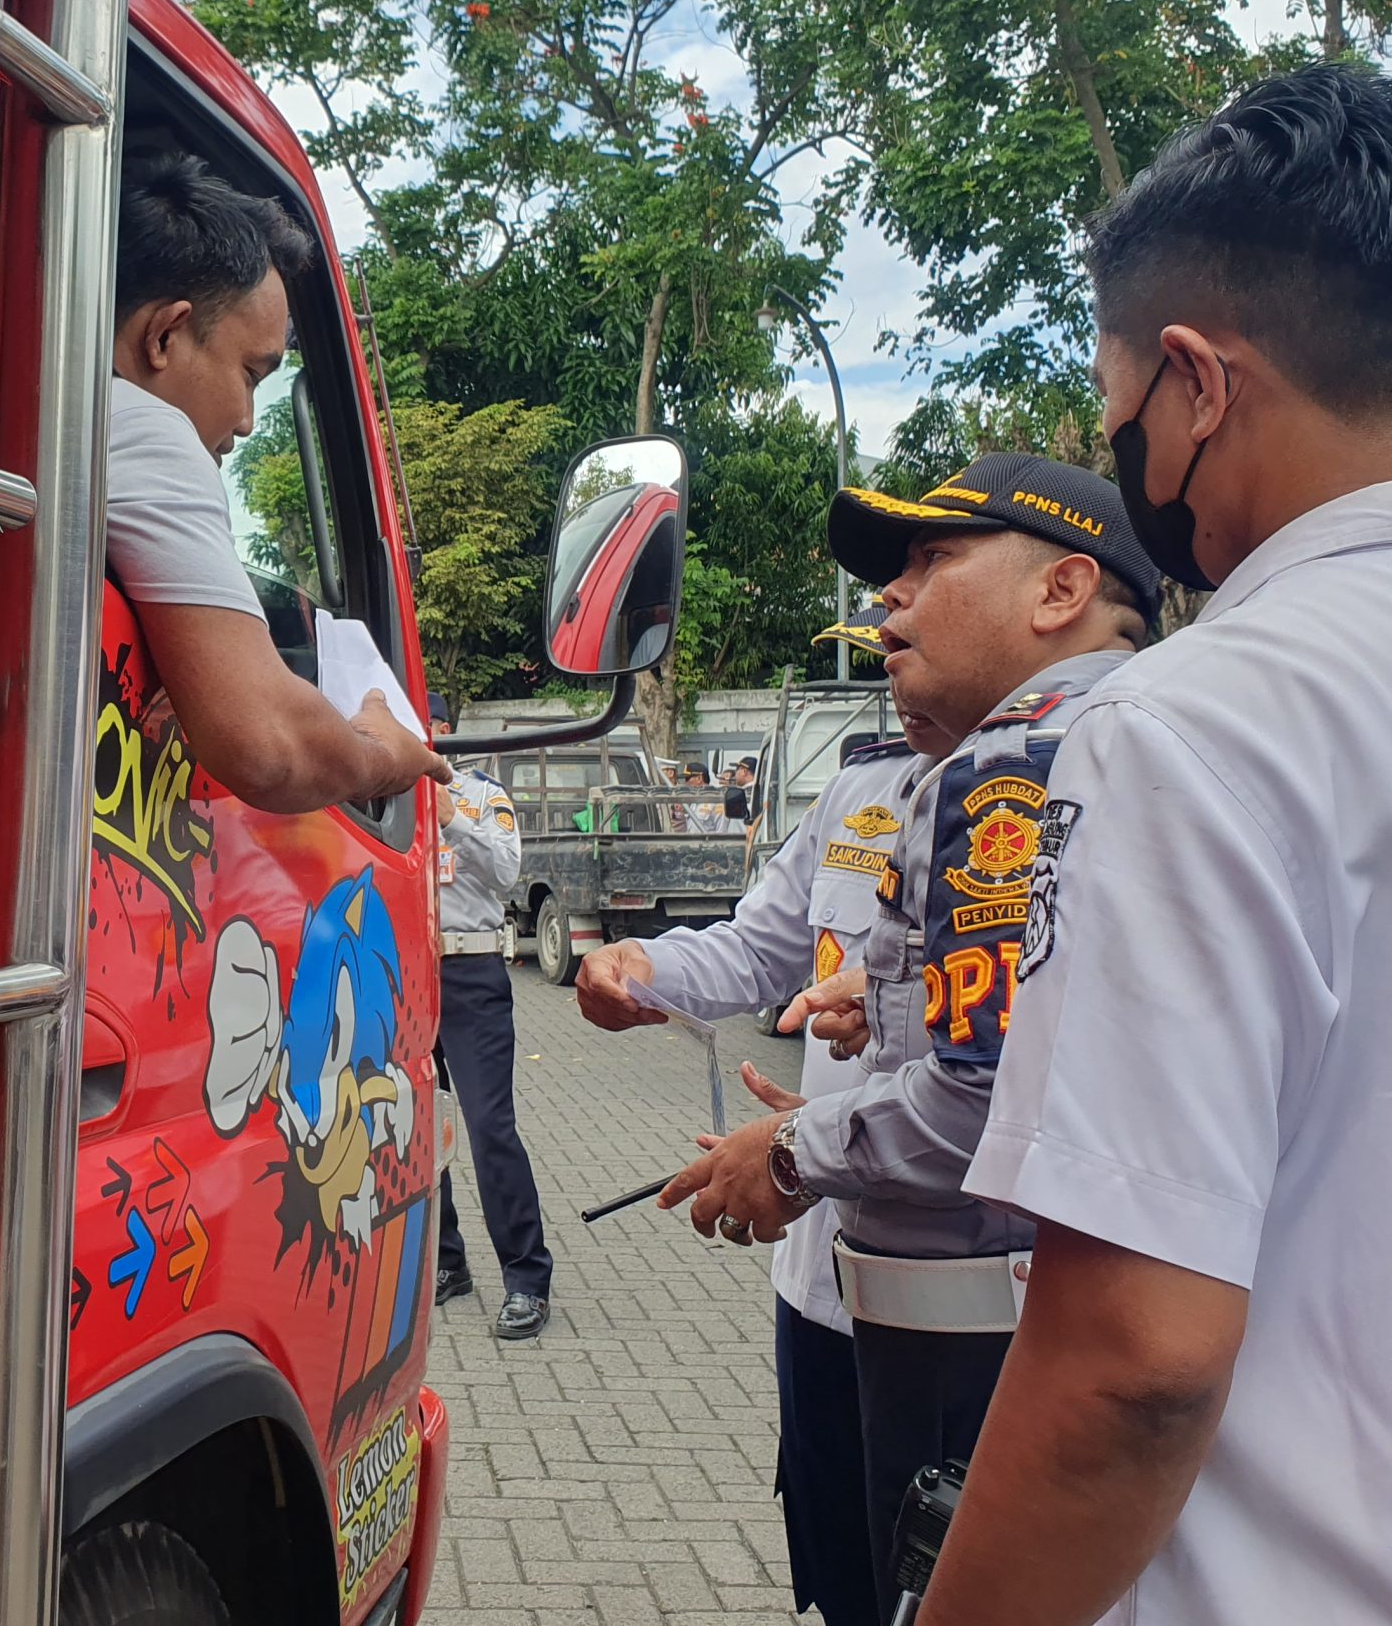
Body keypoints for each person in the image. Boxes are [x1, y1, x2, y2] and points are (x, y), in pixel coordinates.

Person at [919, 71, 1392, 1626]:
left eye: (1121, 408)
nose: (1125, 451)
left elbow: (1135, 1363)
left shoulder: (1198, 725)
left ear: (1195, 386)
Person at [660, 454, 1160, 1619]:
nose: (889, 600)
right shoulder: (1173, 731)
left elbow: (982, 1102)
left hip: (970, 1327)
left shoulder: (1009, 760)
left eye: (930, 562)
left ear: (1060, 591)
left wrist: (792, 1154)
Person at [573, 603, 935, 1626]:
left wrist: (801, 1145)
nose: (895, 629)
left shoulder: (1085, 795)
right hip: (821, 1281)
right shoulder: (865, 788)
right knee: (842, 1575)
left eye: (929, 576)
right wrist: (645, 969)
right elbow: (755, 948)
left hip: (973, 1306)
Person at [105, 153, 447, 812]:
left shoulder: (43, 410)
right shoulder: (143, 427)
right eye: (251, 375)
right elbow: (268, 745)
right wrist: (381, 752)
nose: (245, 421)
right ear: (165, 336)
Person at [426, 695, 555, 1339]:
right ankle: (446, 1263)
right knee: (421, 1129)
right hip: (407, 974)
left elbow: (507, 870)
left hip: (470, 973)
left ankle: (527, 1277)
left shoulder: (480, 794)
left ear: (445, 731)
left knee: (487, 1128)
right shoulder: (382, 799)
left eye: (426, 724)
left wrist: (450, 817)